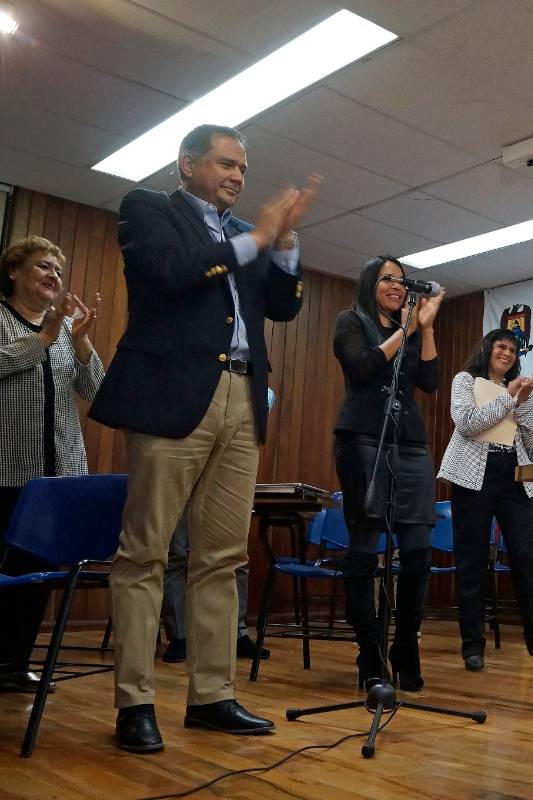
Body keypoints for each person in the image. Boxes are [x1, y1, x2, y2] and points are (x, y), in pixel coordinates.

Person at [89, 123, 320, 753]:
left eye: (243, 168)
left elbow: (283, 306)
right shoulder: (148, 209)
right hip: (173, 395)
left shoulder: (246, 233)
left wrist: (286, 244)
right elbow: (170, 271)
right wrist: (257, 239)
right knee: (146, 554)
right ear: (187, 164)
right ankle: (135, 702)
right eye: (226, 164)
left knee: (222, 555)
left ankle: (211, 695)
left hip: (244, 398)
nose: (238, 177)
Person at [332, 256, 443, 692]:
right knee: (365, 547)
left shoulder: (412, 329)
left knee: (418, 549)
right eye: (388, 279)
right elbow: (361, 367)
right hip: (362, 437)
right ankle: (370, 653)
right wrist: (408, 329)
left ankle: (405, 646)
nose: (397, 286)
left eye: (401, 280)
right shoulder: (351, 321)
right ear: (369, 284)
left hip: (410, 442)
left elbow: (430, 381)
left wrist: (427, 326)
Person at [0, 236, 103, 693]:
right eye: (42, 267)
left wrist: (79, 342)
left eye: (57, 272)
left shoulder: (65, 331)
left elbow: (99, 391)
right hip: (5, 473)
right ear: (14, 272)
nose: (53, 277)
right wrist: (43, 337)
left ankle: (14, 666)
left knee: (35, 580)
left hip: (55, 481)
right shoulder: (3, 320)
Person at [437, 329, 533, 672]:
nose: (508, 353)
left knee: (526, 558)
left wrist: (525, 402)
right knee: (471, 561)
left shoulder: (518, 389)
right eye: (502, 346)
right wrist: (508, 399)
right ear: (487, 349)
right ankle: (472, 645)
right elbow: (467, 423)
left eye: (513, 350)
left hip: (513, 476)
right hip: (473, 477)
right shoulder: (465, 380)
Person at [160, 387, 278, 664]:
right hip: (182, 459)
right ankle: (179, 637)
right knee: (175, 555)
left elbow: (267, 395)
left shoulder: (240, 365)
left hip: (225, 467)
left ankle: (235, 634)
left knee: (234, 555)